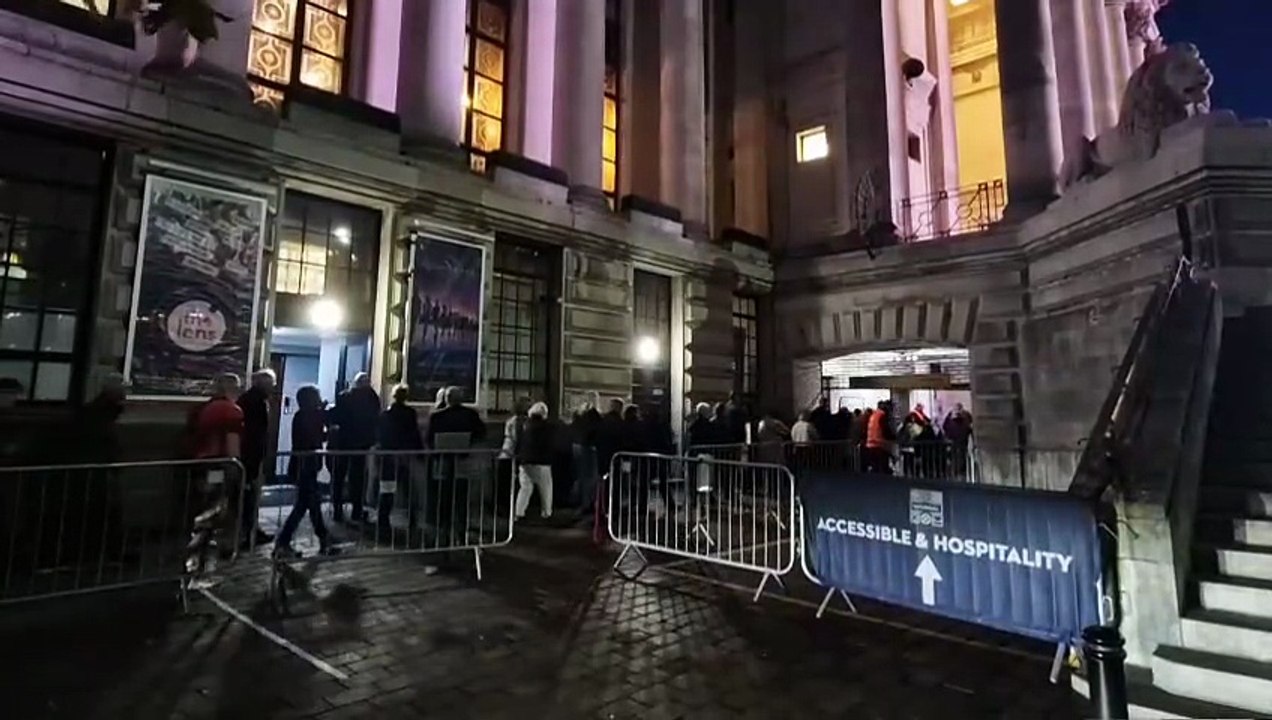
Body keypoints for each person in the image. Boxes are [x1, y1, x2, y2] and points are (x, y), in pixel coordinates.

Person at [275, 385, 336, 558]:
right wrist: (324, 418)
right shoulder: (306, 416)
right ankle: (283, 543)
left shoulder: (303, 416)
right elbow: (313, 436)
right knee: (305, 505)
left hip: (306, 465)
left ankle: (323, 540)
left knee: (309, 505)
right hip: (305, 466)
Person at [425, 386, 488, 541]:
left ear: (447, 399)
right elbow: (481, 433)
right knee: (461, 496)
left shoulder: (437, 416)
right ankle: (461, 530)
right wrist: (469, 442)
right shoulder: (471, 415)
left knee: (444, 496)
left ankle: (443, 530)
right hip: (463, 460)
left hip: (443, 461)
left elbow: (429, 438)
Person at [327, 373, 382, 524]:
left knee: (339, 476)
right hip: (361, 443)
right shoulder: (372, 398)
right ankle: (357, 510)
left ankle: (338, 510)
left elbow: (336, 417)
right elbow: (376, 418)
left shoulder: (344, 396)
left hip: (343, 443)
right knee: (357, 478)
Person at [236, 368, 276, 547]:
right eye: (271, 384)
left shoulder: (248, 399)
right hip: (250, 456)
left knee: (247, 497)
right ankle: (247, 534)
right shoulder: (256, 402)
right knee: (248, 496)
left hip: (248, 454)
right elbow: (255, 432)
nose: (273, 388)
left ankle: (248, 532)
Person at [378, 385, 423, 535]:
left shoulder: (385, 414)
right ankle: (412, 519)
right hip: (405, 454)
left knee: (388, 489)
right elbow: (414, 433)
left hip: (389, 455)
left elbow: (381, 436)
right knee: (409, 488)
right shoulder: (410, 413)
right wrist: (419, 451)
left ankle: (383, 520)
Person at [514, 402, 555, 521]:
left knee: (525, 488)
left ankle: (518, 512)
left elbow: (519, 443)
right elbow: (550, 444)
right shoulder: (547, 427)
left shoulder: (525, 426)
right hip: (541, 462)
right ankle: (546, 512)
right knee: (546, 488)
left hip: (525, 461)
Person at [571, 394, 603, 517]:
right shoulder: (594, 416)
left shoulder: (578, 415)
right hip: (589, 448)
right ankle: (587, 503)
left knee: (583, 477)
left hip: (579, 446)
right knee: (590, 477)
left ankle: (583, 502)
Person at [864, 400, 897, 475]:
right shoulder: (882, 415)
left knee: (875, 468)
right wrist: (893, 437)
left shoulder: (874, 414)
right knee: (882, 469)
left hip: (871, 445)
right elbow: (885, 430)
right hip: (879, 445)